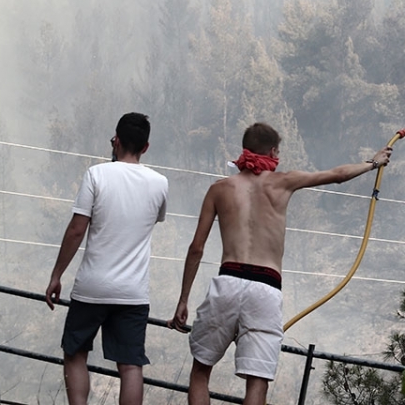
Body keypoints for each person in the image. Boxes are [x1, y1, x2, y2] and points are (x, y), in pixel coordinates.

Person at [167, 122, 393, 405]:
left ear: (244, 150)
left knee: (200, 372)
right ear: (274, 151)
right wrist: (374, 162)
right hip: (266, 288)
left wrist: (183, 300)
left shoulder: (220, 189)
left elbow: (196, 248)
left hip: (227, 283)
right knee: (257, 382)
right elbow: (336, 175)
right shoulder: (284, 182)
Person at [45, 112, 169, 405]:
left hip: (92, 287)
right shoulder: (159, 183)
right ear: (146, 147)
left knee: (75, 353)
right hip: (133, 292)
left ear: (116, 140)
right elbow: (152, 221)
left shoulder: (96, 175)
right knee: (130, 365)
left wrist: (56, 275)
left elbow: (77, 230)